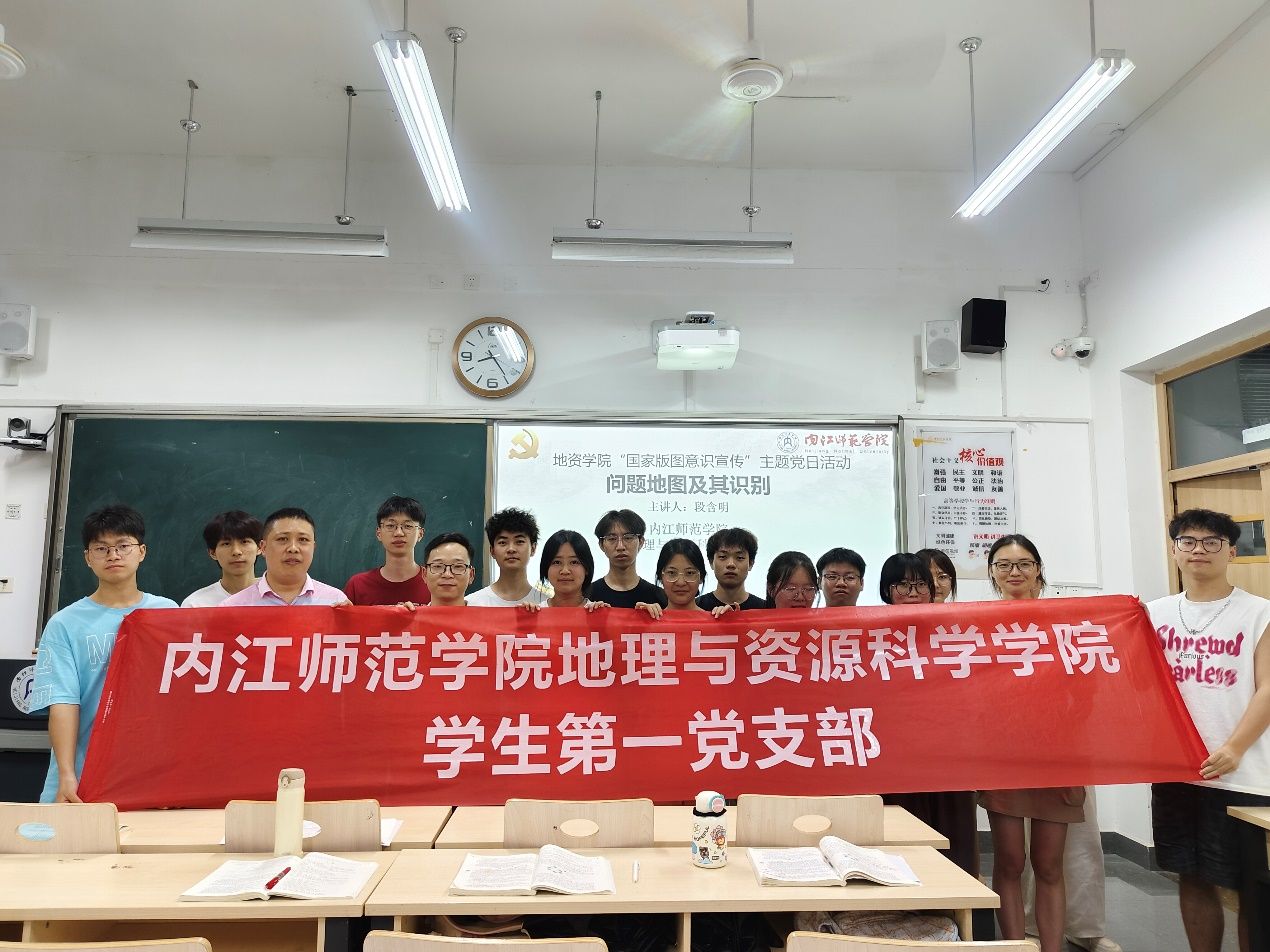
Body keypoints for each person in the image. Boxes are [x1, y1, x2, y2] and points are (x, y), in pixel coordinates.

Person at [1148, 508, 1270, 952]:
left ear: (1231, 551)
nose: (1199, 549)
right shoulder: (1151, 614)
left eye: (1212, 541)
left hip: (1242, 773)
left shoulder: (1259, 612)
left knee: (1249, 886)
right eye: (1188, 541)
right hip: (1176, 770)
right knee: (1191, 874)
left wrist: (1234, 748)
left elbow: (1268, 687)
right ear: (1174, 550)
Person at [29, 505, 178, 803]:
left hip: (151, 773)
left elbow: (178, 701)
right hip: (84, 774)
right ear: (88, 557)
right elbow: (63, 703)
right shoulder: (65, 624)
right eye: (101, 548)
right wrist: (67, 774)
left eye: (123, 545)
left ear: (142, 552)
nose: (113, 555)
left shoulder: (168, 614)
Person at [978, 534, 1082, 952]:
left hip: (1058, 755)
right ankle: (1014, 947)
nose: (1014, 572)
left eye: (1023, 564)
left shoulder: (1066, 618)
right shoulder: (979, 623)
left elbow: (1088, 684)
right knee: (1009, 861)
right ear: (992, 573)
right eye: (1003, 565)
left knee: (1049, 864)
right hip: (1003, 756)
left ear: (1039, 569)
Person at [875, 551, 979, 881]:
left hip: (949, 757)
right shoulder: (870, 634)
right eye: (902, 585)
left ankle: (958, 908)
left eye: (920, 584)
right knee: (903, 845)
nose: (912, 593)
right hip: (895, 760)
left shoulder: (954, 631)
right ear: (887, 591)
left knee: (955, 843)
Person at [222, 507, 347, 606]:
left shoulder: (335, 601)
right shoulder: (233, 607)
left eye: (303, 539)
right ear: (263, 548)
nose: (293, 548)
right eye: (282, 539)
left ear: (313, 548)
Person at [343, 495, 431, 606]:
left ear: (420, 534)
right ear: (378, 533)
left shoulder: (435, 583)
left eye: (408, 526)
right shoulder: (358, 585)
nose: (399, 533)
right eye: (390, 525)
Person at [636, 538, 736, 619]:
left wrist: (731, 623)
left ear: (701, 577)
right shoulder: (650, 622)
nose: (680, 582)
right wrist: (639, 619)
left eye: (689, 573)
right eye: (672, 573)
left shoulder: (715, 622)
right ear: (660, 577)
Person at [468, 507, 548, 607]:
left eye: (519, 542)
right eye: (503, 542)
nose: (511, 549)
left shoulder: (545, 606)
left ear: (533, 548)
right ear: (492, 551)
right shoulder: (473, 604)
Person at [181, 509, 263, 607]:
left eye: (244, 542)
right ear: (212, 552)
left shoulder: (276, 596)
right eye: (226, 544)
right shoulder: (196, 604)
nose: (236, 551)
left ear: (260, 547)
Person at [589, 509, 667, 609]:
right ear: (601, 545)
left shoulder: (659, 597)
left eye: (628, 538)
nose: (620, 547)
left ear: (641, 542)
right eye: (612, 539)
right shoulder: (588, 596)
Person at [520, 529, 609, 611]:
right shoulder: (535, 614)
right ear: (546, 568)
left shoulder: (598, 613)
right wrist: (524, 616)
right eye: (557, 562)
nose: (565, 571)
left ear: (587, 568)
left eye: (574, 562)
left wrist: (603, 616)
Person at [698, 527, 768, 610]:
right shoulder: (696, 607)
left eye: (740, 557)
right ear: (711, 562)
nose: (731, 564)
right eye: (722, 556)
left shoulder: (765, 609)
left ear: (750, 564)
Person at [422, 532, 477, 607]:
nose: (447, 575)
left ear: (471, 575)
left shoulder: (486, 614)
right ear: (424, 574)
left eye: (458, 566)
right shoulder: (411, 614)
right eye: (438, 566)